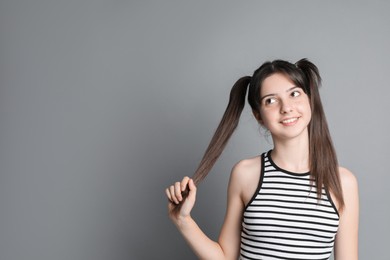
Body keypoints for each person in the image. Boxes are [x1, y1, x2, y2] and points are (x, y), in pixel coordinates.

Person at [165, 59, 359, 260]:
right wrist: (183, 220)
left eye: (294, 94)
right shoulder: (246, 173)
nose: (286, 108)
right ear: (258, 115)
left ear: (310, 100)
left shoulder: (343, 183)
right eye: (271, 100)